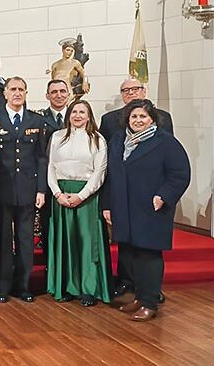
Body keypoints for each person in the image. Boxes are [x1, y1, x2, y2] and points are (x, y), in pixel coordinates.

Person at [102, 99, 190, 321]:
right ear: (127, 119)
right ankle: (139, 298)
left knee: (148, 255)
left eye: (143, 117)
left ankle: (150, 302)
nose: (138, 120)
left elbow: (180, 174)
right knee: (130, 255)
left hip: (151, 209)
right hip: (124, 209)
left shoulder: (165, 142)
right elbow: (109, 176)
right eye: (134, 116)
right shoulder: (118, 140)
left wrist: (164, 196)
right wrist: (107, 205)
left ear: (152, 119)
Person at [98, 77, 173, 300]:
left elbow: (171, 163)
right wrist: (108, 201)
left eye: (135, 89)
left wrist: (163, 194)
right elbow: (108, 163)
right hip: (122, 195)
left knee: (148, 248)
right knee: (126, 244)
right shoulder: (112, 124)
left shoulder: (163, 127)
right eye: (126, 90)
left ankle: (150, 292)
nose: (131, 93)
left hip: (150, 196)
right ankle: (129, 284)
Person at [0, 76, 48, 303]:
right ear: (5, 93)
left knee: (26, 240)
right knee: (2, 238)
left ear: (26, 93)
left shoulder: (36, 121)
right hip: (0, 188)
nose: (17, 93)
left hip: (28, 189)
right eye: (13, 89)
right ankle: (1, 286)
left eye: (21, 89)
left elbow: (41, 157)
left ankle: (24, 286)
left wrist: (41, 189)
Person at [46, 100, 112, 307]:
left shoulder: (98, 140)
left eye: (82, 112)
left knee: (86, 242)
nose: (77, 115)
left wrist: (81, 196)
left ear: (89, 115)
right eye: (74, 111)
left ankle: (88, 289)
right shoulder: (57, 137)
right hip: (61, 194)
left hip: (86, 196)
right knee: (65, 240)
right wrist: (57, 193)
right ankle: (65, 286)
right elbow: (50, 167)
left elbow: (99, 172)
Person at [39, 79, 71, 261]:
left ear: (68, 94)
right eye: (54, 92)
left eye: (62, 91)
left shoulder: (78, 116)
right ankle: (50, 267)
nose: (58, 95)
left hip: (74, 182)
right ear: (47, 96)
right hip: (48, 183)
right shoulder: (38, 119)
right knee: (49, 226)